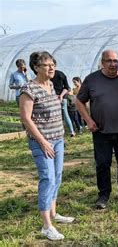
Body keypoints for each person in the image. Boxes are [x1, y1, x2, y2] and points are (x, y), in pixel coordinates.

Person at [19, 51, 74, 241]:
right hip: (42, 142)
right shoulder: (29, 90)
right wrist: (43, 142)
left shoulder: (50, 85)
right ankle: (46, 226)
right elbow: (26, 118)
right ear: (36, 67)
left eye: (53, 64)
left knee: (57, 176)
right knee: (47, 178)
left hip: (58, 139)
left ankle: (53, 213)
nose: (52, 68)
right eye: (47, 65)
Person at [76, 50, 118, 209]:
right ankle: (103, 194)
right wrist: (88, 120)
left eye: (115, 61)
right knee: (102, 163)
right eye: (109, 61)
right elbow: (79, 101)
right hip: (101, 131)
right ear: (102, 62)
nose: (112, 64)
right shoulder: (92, 80)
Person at [50, 62, 75, 137]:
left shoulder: (48, 75)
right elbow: (67, 88)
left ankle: (58, 132)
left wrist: (57, 96)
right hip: (62, 98)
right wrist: (61, 95)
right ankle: (72, 131)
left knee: (55, 116)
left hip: (53, 98)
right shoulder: (61, 74)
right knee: (65, 115)